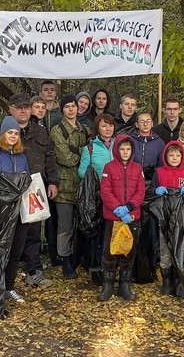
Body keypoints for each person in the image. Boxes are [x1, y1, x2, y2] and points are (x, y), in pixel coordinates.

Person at [0, 94, 58, 289]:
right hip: (9, 189)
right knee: (8, 231)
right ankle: (5, 273)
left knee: (33, 231)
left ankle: (33, 270)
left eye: (26, 107)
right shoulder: (2, 129)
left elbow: (50, 156)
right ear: (10, 109)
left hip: (34, 187)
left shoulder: (40, 132)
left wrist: (53, 182)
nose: (23, 111)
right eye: (19, 107)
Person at [0, 116, 31, 303]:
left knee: (16, 249)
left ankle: (9, 286)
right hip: (0, 210)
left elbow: (26, 180)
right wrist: (12, 181)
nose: (13, 136)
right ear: (2, 134)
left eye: (16, 133)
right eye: (10, 132)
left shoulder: (21, 155)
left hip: (20, 209)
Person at [98, 135, 144, 302]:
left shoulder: (138, 168)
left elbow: (140, 191)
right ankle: (108, 284)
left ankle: (124, 285)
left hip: (131, 217)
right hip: (113, 217)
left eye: (128, 149)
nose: (125, 152)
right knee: (110, 251)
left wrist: (129, 207)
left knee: (128, 251)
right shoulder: (108, 168)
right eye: (122, 149)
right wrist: (117, 208)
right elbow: (105, 191)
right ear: (117, 150)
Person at [51, 94, 90, 279]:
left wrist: (79, 152)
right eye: (67, 106)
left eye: (73, 106)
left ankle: (79, 257)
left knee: (81, 224)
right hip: (65, 185)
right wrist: (82, 153)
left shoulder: (85, 130)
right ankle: (65, 260)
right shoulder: (57, 130)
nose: (71, 109)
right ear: (62, 110)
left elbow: (92, 152)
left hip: (83, 186)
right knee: (64, 226)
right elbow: (64, 157)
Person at [152, 141, 184, 295]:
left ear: (182, 156)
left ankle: (179, 278)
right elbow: (151, 191)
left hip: (182, 218)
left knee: (180, 247)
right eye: (171, 155)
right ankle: (167, 279)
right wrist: (156, 190)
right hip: (164, 217)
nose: (174, 157)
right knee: (165, 248)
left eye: (178, 155)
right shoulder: (159, 173)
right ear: (165, 156)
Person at [78, 113, 117, 284]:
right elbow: (81, 171)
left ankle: (112, 267)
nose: (108, 129)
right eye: (104, 125)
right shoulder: (90, 148)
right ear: (97, 128)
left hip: (116, 196)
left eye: (110, 125)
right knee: (98, 234)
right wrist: (97, 177)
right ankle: (96, 268)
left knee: (113, 233)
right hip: (97, 196)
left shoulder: (120, 145)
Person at [131, 111, 165, 180]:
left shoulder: (159, 142)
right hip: (132, 178)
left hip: (152, 180)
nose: (145, 124)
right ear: (137, 124)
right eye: (142, 121)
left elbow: (161, 164)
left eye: (148, 121)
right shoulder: (130, 140)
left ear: (152, 124)